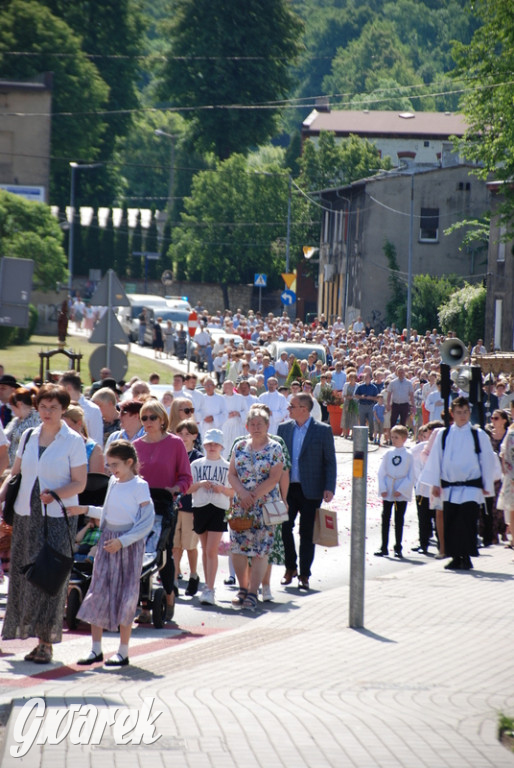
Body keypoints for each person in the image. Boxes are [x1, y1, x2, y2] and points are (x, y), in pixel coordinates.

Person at [0, 384, 87, 664]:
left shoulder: (73, 440)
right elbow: (15, 475)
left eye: (54, 407)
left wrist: (55, 494)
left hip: (57, 517)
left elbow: (80, 482)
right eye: (44, 406)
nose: (47, 412)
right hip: (25, 515)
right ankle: (32, 637)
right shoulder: (28, 435)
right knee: (25, 580)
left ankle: (46, 642)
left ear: (64, 409)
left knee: (49, 579)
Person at [71, 440, 155, 667]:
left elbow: (145, 522)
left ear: (130, 462)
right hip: (109, 541)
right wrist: (85, 509)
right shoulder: (112, 483)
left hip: (127, 545)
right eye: (109, 465)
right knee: (98, 591)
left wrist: (123, 541)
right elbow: (107, 514)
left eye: (115, 464)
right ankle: (96, 649)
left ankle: (123, 651)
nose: (112, 469)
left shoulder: (139, 486)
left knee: (126, 595)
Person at [421, 396, 500, 570]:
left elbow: (486, 460)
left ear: (469, 412)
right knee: (451, 522)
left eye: (465, 412)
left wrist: (487, 485)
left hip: (471, 487)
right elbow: (436, 459)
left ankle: (466, 556)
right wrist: (435, 483)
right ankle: (455, 556)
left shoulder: (477, 434)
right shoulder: (444, 434)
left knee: (466, 522)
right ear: (452, 414)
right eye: (458, 413)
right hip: (449, 487)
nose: (462, 416)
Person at [134, 400, 192, 620]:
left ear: (162, 419)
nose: (148, 422)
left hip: (166, 505)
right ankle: (145, 607)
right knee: (140, 552)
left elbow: (186, 477)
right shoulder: (136, 445)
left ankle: (169, 594)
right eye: (144, 418)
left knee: (162, 552)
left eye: (152, 417)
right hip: (140, 507)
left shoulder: (175, 443)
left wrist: (176, 488)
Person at [278, 392, 337, 590]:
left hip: (311, 489)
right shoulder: (284, 429)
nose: (288, 409)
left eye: (292, 406)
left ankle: (304, 573)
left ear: (304, 409)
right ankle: (290, 567)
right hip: (287, 487)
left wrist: (329, 487)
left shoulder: (322, 430)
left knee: (307, 533)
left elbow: (330, 461)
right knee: (284, 528)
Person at [228, 408, 284, 611]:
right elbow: (232, 474)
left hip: (264, 505)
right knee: (238, 548)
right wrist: (243, 494)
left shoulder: (275, 448)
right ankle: (242, 589)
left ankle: (253, 591)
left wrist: (253, 496)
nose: (256, 427)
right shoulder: (240, 446)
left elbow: (274, 478)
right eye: (252, 424)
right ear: (246, 427)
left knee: (261, 550)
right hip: (241, 506)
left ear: (268, 426)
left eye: (260, 424)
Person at [190, 429, 233, 605]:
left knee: (211, 550)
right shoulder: (196, 465)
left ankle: (210, 588)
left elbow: (233, 492)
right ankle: (208, 587)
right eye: (209, 443)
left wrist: (220, 489)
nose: (212, 446)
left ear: (222, 446)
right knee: (204, 548)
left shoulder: (228, 466)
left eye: (215, 444)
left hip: (218, 509)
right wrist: (200, 484)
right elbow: (187, 489)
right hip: (200, 507)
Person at [374, 425, 415, 559]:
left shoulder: (408, 455)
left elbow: (411, 475)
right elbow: (382, 472)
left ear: (404, 439)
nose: (393, 440)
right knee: (385, 518)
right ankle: (383, 546)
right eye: (392, 437)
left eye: (396, 437)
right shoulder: (388, 453)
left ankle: (398, 547)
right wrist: (383, 489)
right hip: (389, 490)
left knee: (399, 519)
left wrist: (401, 489)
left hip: (399, 492)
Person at [173, 420, 203, 596]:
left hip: (190, 506)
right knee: (175, 546)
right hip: (174, 506)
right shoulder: (173, 454)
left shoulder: (198, 458)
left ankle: (193, 575)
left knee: (190, 545)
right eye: (180, 434)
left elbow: (196, 483)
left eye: (187, 434)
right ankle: (175, 578)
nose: (183, 437)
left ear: (194, 436)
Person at [63, 404, 105, 473]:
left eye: (67, 427)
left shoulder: (94, 449)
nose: (64, 430)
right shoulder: (56, 444)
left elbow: (96, 480)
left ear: (79, 423)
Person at [5, 387, 40, 466]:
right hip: (11, 466)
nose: (12, 410)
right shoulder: (16, 420)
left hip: (27, 465)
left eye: (12, 407)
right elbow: (5, 435)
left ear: (19, 404)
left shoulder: (37, 419)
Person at [355, 371, 379, 442]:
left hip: (370, 406)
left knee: (371, 421)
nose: (366, 379)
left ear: (370, 378)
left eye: (367, 377)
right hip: (362, 405)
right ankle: (362, 436)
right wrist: (361, 396)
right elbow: (356, 395)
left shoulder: (374, 387)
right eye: (365, 378)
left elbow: (377, 398)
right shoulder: (360, 386)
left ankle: (370, 434)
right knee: (362, 421)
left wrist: (370, 398)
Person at [341, 371, 358, 439]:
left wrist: (352, 397)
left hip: (354, 403)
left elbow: (357, 395)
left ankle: (353, 434)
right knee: (345, 417)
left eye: (353, 378)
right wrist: (347, 397)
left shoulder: (358, 385)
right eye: (350, 377)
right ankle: (345, 433)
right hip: (347, 403)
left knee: (354, 418)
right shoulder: (346, 385)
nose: (351, 379)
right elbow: (343, 394)